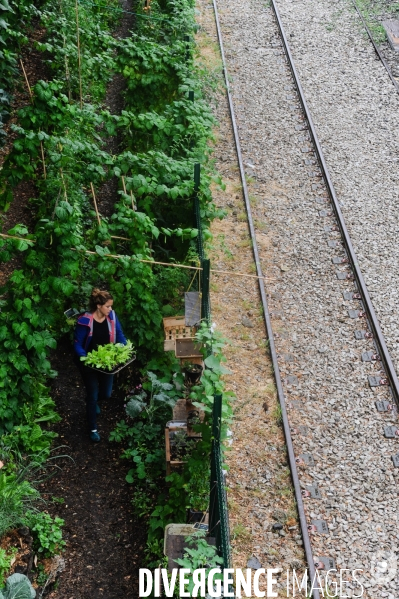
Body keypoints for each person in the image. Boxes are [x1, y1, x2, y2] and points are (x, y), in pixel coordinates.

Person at [74, 288, 127, 442]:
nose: (110, 309)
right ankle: (92, 428)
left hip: (106, 363)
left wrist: (122, 348)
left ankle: (96, 401)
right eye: (108, 306)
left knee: (106, 393)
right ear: (98, 305)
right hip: (89, 364)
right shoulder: (85, 321)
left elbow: (120, 335)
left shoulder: (112, 317)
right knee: (92, 394)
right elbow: (77, 344)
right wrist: (86, 358)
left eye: (111, 306)